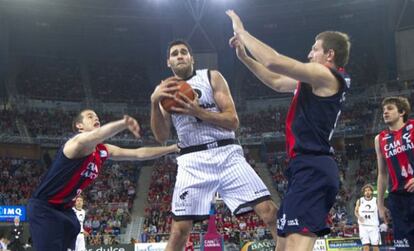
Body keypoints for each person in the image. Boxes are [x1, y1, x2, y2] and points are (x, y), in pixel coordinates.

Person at [226, 10, 351, 251]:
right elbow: (274, 80)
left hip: (313, 167)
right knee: (281, 247)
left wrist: (242, 31)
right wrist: (244, 57)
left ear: (330, 54)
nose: (309, 53)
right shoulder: (315, 81)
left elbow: (273, 60)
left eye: (314, 49)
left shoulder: (325, 75)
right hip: (303, 168)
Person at [150, 39, 278, 251]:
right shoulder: (164, 90)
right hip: (192, 160)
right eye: (175, 53)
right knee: (179, 231)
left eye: (184, 52)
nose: (180, 55)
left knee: (270, 212)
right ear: (168, 62)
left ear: (192, 58)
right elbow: (161, 136)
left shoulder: (212, 77)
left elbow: (233, 122)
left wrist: (198, 112)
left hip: (227, 153)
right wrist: (155, 103)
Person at [27, 110, 178, 251]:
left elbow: (138, 154)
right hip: (45, 208)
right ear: (79, 126)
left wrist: (171, 148)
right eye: (90, 116)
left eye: (96, 116)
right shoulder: (75, 144)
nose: (95, 117)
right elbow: (97, 135)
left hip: (66, 210)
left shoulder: (102, 150)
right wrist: (123, 123)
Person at [375, 96, 414, 250]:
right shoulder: (380, 139)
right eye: (384, 110)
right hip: (397, 198)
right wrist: (380, 204)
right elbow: (382, 174)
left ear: (402, 112)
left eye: (390, 108)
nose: (385, 112)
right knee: (404, 246)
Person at [354, 184, 380, 251]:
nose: (367, 192)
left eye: (369, 190)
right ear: (364, 192)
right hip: (363, 226)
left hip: (374, 226)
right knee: (365, 247)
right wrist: (359, 217)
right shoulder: (360, 200)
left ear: (371, 191)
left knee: (375, 247)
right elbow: (356, 211)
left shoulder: (376, 200)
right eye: (365, 191)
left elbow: (381, 209)